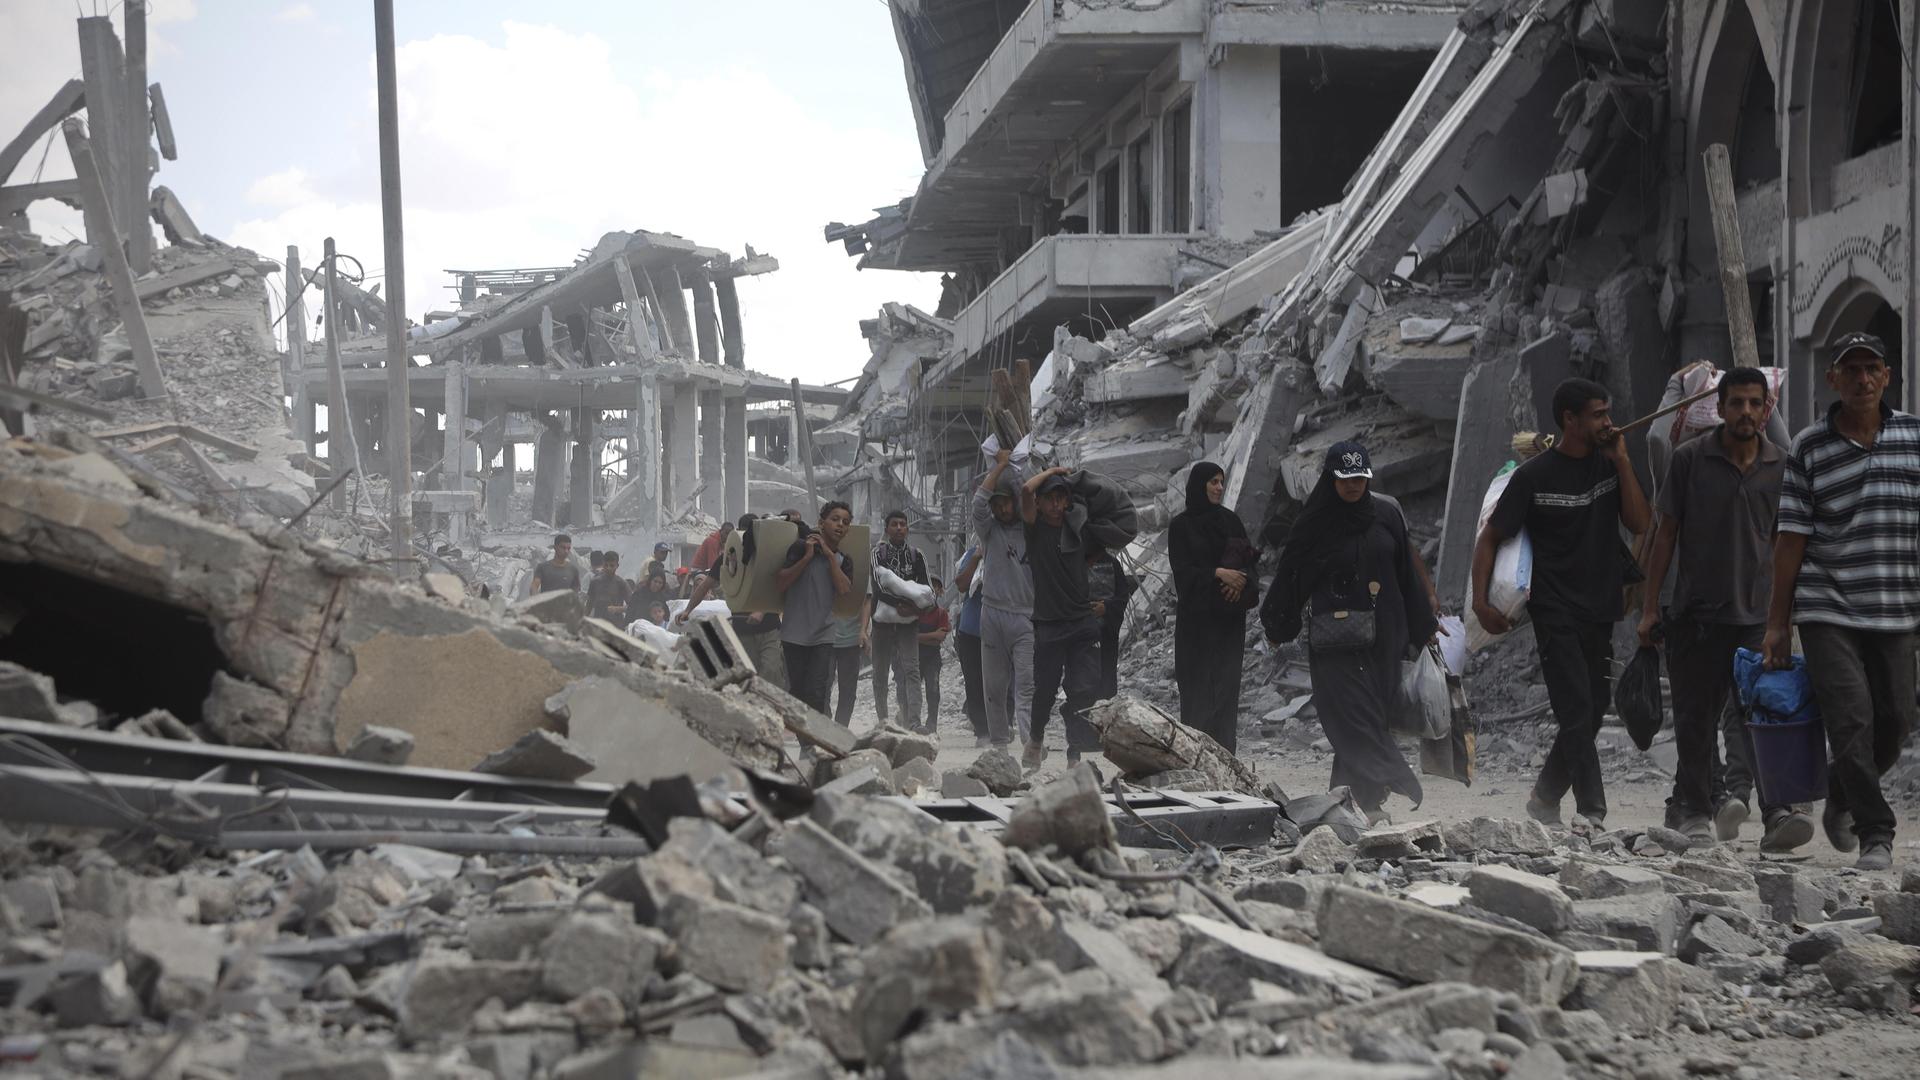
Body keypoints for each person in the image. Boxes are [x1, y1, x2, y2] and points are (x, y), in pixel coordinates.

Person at [1766, 332, 1920, 871]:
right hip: (1827, 604)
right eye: (1849, 369)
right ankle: (1876, 831)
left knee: (1896, 718)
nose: (1861, 379)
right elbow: (1790, 539)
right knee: (1851, 719)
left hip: (1897, 605)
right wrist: (1777, 624)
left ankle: (1842, 789)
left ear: (1886, 376)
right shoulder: (1809, 446)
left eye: (1870, 368)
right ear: (1832, 378)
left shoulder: (1914, 438)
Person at [1638, 367, 1809, 851]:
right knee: (1695, 718)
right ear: (1721, 406)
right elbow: (1664, 535)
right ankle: (1693, 809)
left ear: (1766, 409)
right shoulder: (1691, 459)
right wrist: (1650, 609)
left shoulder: (1780, 466)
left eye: (1757, 404)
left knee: (1762, 717)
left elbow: (1785, 543)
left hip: (1758, 619)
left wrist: (1785, 618)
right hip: (1696, 615)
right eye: (1738, 403)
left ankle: (1777, 814)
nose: (1747, 413)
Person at [1474, 378, 1651, 830]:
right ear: (1570, 420)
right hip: (1553, 606)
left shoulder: (1608, 466)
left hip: (1600, 603)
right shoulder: (1533, 477)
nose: (1608, 422)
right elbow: (1490, 538)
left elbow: (1639, 521)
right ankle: (1593, 810)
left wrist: (1624, 461)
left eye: (1607, 413)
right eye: (1598, 414)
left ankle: (1545, 795)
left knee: (1594, 705)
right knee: (1575, 707)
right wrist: (1480, 603)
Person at [1263, 442, 1435, 821]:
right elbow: (1293, 575)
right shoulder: (1315, 523)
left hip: (1386, 638)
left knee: (1371, 715)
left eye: (1360, 477)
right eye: (1345, 478)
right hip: (1336, 642)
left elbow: (1407, 573)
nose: (1354, 485)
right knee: (1353, 716)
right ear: (1331, 479)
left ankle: (1355, 803)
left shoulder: (1386, 514)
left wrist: (1424, 628)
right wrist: (1278, 622)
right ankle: (1397, 776)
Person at [1168, 461, 1257, 752]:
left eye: (1221, 481)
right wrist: (1218, 574)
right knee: (1197, 698)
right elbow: (1182, 575)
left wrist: (1240, 584)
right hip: (1196, 630)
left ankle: (1225, 768)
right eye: (1213, 482)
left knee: (1225, 696)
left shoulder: (1231, 522)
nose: (1219, 487)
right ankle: (1195, 763)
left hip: (1228, 627)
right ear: (1199, 485)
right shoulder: (1181, 527)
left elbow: (1249, 564)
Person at [1022, 466, 1103, 768]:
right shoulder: (1034, 529)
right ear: (1041, 504)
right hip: (1049, 623)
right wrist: (1055, 471)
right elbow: (1026, 491)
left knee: (1082, 690)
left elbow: (1099, 546)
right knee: (1045, 688)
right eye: (1051, 500)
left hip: (1081, 620)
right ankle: (1036, 738)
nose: (1057, 506)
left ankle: (1074, 752)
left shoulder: (1076, 529)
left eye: (1062, 500)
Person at [678, 514, 784, 686]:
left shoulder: (766, 555)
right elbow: (705, 585)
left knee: (771, 671)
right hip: (743, 629)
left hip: (769, 628)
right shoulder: (727, 558)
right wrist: (688, 610)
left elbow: (775, 586)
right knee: (749, 678)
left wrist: (760, 610)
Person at [974, 450, 1033, 750]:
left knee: (1026, 686)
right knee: (995, 688)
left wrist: (1015, 468)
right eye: (996, 505)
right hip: (993, 613)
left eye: (1005, 502)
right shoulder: (989, 531)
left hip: (1026, 617)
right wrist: (999, 466)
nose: (1000, 509)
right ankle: (999, 744)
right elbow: (978, 503)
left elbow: (1028, 495)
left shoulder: (1032, 529)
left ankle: (1029, 742)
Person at [777, 502, 855, 715]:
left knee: (818, 692)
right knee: (798, 693)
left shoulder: (843, 560)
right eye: (835, 519)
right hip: (794, 633)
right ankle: (808, 745)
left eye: (845, 522)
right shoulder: (800, 548)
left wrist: (829, 556)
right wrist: (807, 557)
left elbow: (843, 590)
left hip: (824, 634)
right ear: (821, 523)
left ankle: (814, 745)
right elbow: (781, 582)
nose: (840, 525)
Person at [867, 509, 930, 733]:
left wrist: (913, 608)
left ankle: (914, 721)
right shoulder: (877, 553)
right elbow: (879, 584)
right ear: (887, 529)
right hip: (882, 624)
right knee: (880, 673)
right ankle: (883, 720)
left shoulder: (917, 556)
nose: (899, 528)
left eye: (903, 524)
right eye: (894, 524)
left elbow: (927, 591)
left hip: (909, 623)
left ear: (908, 528)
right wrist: (905, 602)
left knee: (912, 670)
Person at [953, 547, 990, 747]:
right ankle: (982, 730)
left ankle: (1002, 723)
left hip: (1002, 627)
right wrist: (976, 557)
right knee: (974, 681)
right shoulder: (973, 553)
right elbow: (961, 584)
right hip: (972, 628)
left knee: (1001, 680)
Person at [918, 577, 951, 732]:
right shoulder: (914, 611)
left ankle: (932, 724)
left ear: (939, 591)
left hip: (932, 658)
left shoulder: (941, 614)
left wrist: (917, 638)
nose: (932, 591)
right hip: (914, 657)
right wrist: (932, 636)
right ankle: (911, 721)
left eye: (935, 588)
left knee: (933, 690)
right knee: (910, 690)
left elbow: (940, 638)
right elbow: (934, 637)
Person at [828, 612, 863, 726]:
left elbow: (866, 600)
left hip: (851, 638)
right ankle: (824, 727)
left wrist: (863, 631)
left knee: (848, 692)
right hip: (824, 638)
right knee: (820, 688)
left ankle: (840, 730)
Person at [586, 550, 632, 625]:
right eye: (606, 565)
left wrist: (617, 609)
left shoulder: (621, 583)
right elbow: (589, 605)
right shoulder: (595, 582)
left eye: (611, 565)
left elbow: (632, 606)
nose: (608, 568)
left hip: (615, 626)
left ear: (617, 565)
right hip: (598, 625)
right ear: (603, 565)